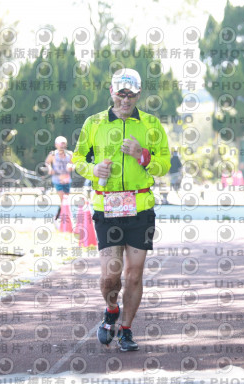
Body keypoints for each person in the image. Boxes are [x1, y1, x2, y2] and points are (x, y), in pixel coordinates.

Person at [72, 68, 171, 352]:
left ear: (139, 95)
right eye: (121, 94)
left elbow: (164, 164)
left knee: (134, 275)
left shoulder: (151, 124)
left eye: (131, 95)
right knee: (110, 276)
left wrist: (143, 156)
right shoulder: (94, 123)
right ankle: (111, 309)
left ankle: (126, 330)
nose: (125, 100)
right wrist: (93, 169)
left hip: (140, 209)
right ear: (112, 92)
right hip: (107, 207)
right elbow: (78, 159)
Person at [45, 136, 73, 220]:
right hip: (57, 179)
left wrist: (71, 166)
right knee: (63, 197)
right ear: (56, 145)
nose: (62, 146)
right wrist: (50, 168)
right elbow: (47, 162)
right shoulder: (53, 154)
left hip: (66, 179)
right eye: (60, 144)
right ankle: (63, 217)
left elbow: (74, 164)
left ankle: (58, 216)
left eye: (63, 144)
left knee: (65, 199)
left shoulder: (70, 154)